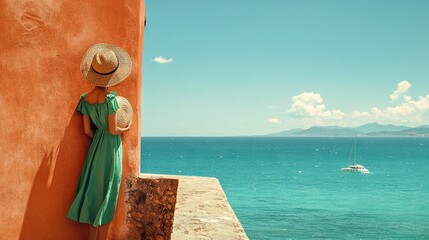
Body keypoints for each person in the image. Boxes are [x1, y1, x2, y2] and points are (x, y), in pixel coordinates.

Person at [66, 43, 132, 240]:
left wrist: (98, 139)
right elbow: (113, 129)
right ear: (111, 75)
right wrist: (126, 128)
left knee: (93, 191)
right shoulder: (111, 99)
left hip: (95, 148)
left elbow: (87, 130)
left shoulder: (85, 99)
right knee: (108, 192)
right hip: (111, 147)